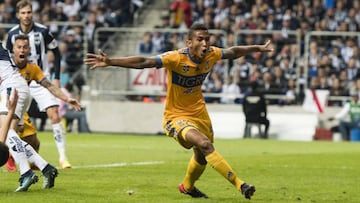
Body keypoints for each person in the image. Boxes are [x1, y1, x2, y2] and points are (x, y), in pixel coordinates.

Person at [84, 23, 274, 200]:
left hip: (200, 114)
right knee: (205, 144)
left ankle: (187, 187)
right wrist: (111, 61)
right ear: (189, 42)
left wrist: (257, 48)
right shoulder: (175, 58)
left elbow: (233, 52)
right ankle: (241, 185)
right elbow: (144, 61)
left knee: (202, 156)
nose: (205, 43)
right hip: (176, 117)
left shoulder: (212, 54)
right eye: (200, 39)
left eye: (207, 39)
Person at [6, 0, 72, 169]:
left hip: (40, 78)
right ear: (18, 15)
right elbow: (6, 58)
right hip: (18, 81)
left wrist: (56, 77)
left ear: (32, 13)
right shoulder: (12, 34)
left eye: (29, 12)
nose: (26, 16)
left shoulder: (43, 31)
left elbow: (56, 53)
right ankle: (11, 156)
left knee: (54, 114)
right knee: (13, 124)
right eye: (23, 13)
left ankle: (63, 158)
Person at [0, 41, 58, 192]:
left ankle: (26, 172)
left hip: (11, 86)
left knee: (6, 133)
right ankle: (46, 168)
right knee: (8, 134)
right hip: (14, 86)